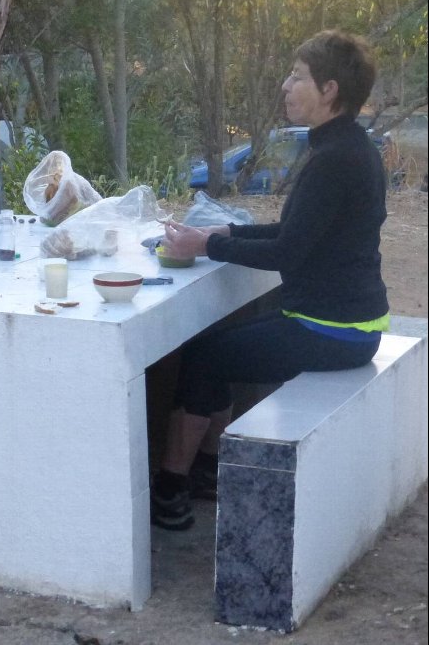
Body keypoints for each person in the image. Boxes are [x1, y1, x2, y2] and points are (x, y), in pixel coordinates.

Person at [152, 30, 389, 531]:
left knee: (204, 358)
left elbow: (287, 252)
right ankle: (203, 472)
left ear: (328, 90)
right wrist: (224, 230)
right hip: (348, 323)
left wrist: (206, 246)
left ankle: (172, 489)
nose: (285, 86)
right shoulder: (347, 148)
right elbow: (297, 230)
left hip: (334, 331)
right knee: (217, 349)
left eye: (297, 77)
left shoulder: (334, 160)